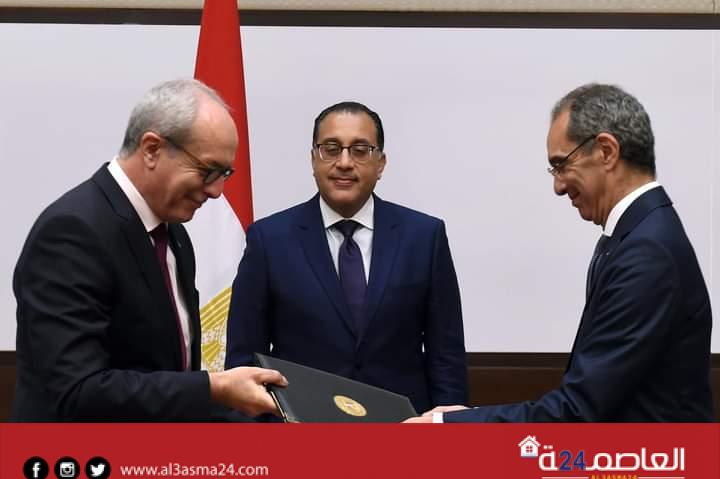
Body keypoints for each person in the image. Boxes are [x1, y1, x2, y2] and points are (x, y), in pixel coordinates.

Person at [407, 83, 714, 423]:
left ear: (606, 151)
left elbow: (578, 410)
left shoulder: (647, 253)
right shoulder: (639, 234)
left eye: (562, 164)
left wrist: (446, 426)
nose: (558, 186)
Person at [11, 78, 287, 422]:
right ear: (152, 149)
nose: (217, 191)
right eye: (208, 171)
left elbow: (168, 375)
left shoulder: (174, 235)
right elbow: (77, 393)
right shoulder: (72, 232)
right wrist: (213, 388)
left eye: (225, 173)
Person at [225, 101, 468, 413]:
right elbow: (244, 359)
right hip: (302, 426)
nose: (344, 162)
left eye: (360, 150)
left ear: (381, 163)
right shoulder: (269, 240)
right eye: (331, 149)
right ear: (313, 159)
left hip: (403, 427)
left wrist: (450, 429)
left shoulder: (424, 237)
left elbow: (445, 354)